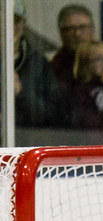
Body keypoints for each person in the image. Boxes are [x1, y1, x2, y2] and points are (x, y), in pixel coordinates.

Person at [13, 0, 66, 129]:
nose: (8, 27)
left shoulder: (38, 63)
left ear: (23, 24)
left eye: (15, 21)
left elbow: (54, 116)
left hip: (26, 140)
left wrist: (21, 92)